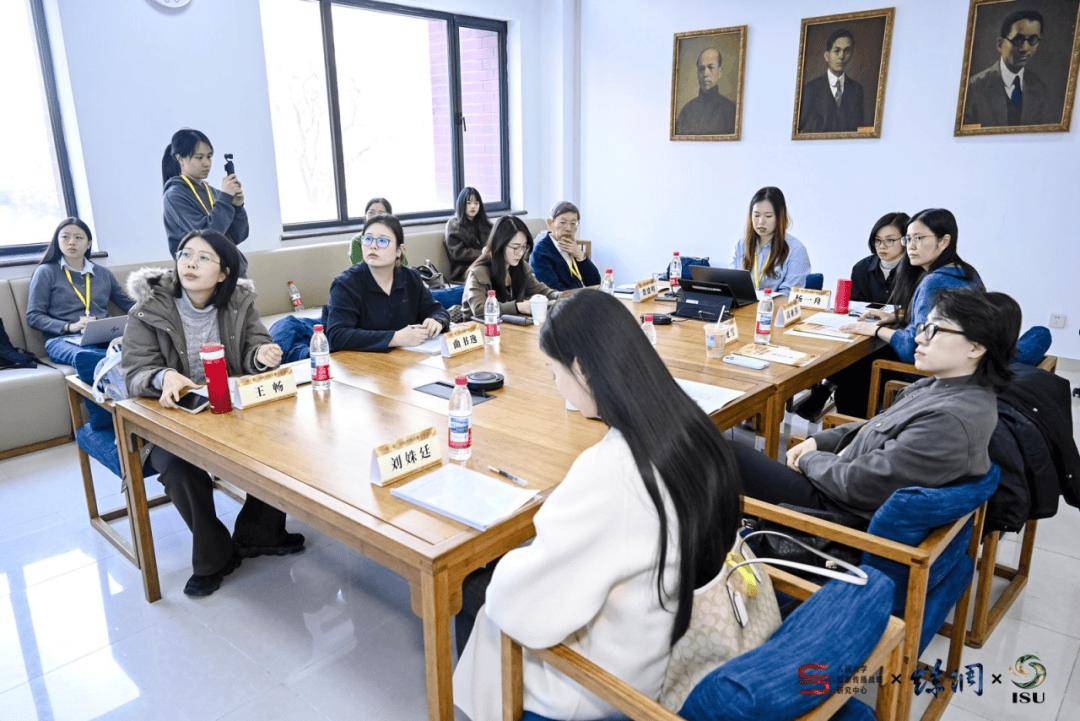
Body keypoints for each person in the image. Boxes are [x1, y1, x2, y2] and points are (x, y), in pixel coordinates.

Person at [452, 289, 742, 721]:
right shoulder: (687, 424)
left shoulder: (613, 470)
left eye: (554, 373)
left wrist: (514, 559)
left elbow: (520, 607)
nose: (556, 386)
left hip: (610, 682)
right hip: (675, 633)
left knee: (479, 590)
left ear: (582, 370)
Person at [123, 229, 303, 597]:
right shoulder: (148, 308)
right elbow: (135, 372)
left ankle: (259, 533)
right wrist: (162, 376)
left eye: (203, 258)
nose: (190, 263)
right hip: (173, 415)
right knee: (177, 468)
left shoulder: (239, 301)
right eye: (185, 254)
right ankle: (215, 554)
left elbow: (255, 343)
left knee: (282, 437)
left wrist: (260, 355)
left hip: (229, 406)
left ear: (223, 273)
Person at [738, 288, 1020, 522]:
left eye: (934, 330)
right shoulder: (944, 386)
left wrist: (809, 460)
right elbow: (878, 427)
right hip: (836, 482)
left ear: (975, 348)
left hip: (835, 512)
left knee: (725, 456)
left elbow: (860, 484)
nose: (920, 337)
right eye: (923, 327)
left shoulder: (949, 420)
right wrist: (819, 442)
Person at [807, 209, 984, 418]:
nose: (911, 246)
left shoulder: (933, 281)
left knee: (855, 366)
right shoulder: (964, 271)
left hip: (930, 372)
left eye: (919, 238)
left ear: (944, 241)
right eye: (908, 239)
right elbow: (935, 323)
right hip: (963, 367)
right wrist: (898, 317)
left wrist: (875, 330)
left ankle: (853, 426)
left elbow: (913, 348)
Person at [324, 213, 450, 352]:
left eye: (382, 241)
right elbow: (337, 335)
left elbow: (437, 310)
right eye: (368, 239)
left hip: (406, 359)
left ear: (399, 251)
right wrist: (395, 338)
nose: (373, 246)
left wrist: (436, 320)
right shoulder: (345, 284)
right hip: (359, 363)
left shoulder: (410, 278)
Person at [27, 217, 134, 368]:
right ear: (57, 241)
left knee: (143, 348)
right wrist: (70, 326)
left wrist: (157, 310)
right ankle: (114, 361)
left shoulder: (103, 273)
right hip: (63, 340)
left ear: (88, 243)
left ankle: (112, 362)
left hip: (103, 337)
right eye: (65, 237)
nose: (71, 242)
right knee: (83, 356)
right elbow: (34, 316)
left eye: (78, 238)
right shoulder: (46, 272)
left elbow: (129, 304)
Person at [161, 128, 249, 271]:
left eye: (209, 156)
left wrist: (238, 207)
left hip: (230, 275)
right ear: (180, 158)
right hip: (202, 277)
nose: (206, 163)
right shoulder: (175, 196)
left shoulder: (213, 192)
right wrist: (225, 199)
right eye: (199, 157)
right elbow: (207, 239)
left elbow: (238, 236)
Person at [963, 10, 1056, 127]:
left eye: (1033, 40)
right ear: (1000, 44)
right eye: (1018, 40)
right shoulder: (973, 87)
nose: (1025, 48)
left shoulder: (1040, 89)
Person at [463, 216, 562, 318]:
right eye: (515, 247)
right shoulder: (478, 272)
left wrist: (561, 296)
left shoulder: (521, 266)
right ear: (499, 245)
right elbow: (479, 309)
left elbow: (541, 291)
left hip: (509, 325)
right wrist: (518, 307)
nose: (520, 253)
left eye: (524, 247)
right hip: (478, 327)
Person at [729, 186, 811, 296]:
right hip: (744, 305)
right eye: (756, 215)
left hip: (774, 306)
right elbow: (732, 284)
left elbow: (789, 295)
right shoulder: (741, 245)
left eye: (768, 216)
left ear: (780, 217)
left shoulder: (796, 250)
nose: (761, 221)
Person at [797, 28, 865, 133]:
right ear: (827, 56)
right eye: (837, 51)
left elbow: (860, 129)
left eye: (846, 51)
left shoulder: (857, 90)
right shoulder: (810, 89)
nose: (841, 56)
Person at [529, 201, 601, 291]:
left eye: (573, 223)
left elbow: (595, 282)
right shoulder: (541, 252)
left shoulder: (572, 246)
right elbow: (553, 290)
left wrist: (580, 256)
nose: (568, 228)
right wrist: (582, 294)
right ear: (550, 223)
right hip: (562, 299)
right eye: (563, 222)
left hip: (579, 295)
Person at [674, 47, 737, 135]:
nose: (705, 74)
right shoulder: (687, 111)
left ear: (720, 72)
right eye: (701, 69)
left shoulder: (731, 110)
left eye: (711, 67)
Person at [850, 212, 909, 304]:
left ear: (905, 240)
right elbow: (854, 307)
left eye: (890, 240)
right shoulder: (861, 268)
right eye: (878, 240)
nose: (882, 246)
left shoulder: (918, 270)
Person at [444, 187, 493, 283]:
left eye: (476, 203)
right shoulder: (454, 224)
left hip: (486, 263)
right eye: (469, 203)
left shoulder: (485, 224)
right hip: (464, 270)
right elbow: (458, 253)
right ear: (461, 204)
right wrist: (483, 253)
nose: (473, 206)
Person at [349, 197, 395, 265]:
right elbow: (360, 269)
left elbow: (403, 266)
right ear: (365, 216)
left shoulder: (394, 239)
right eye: (371, 212)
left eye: (381, 213)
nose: (375, 217)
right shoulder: (357, 241)